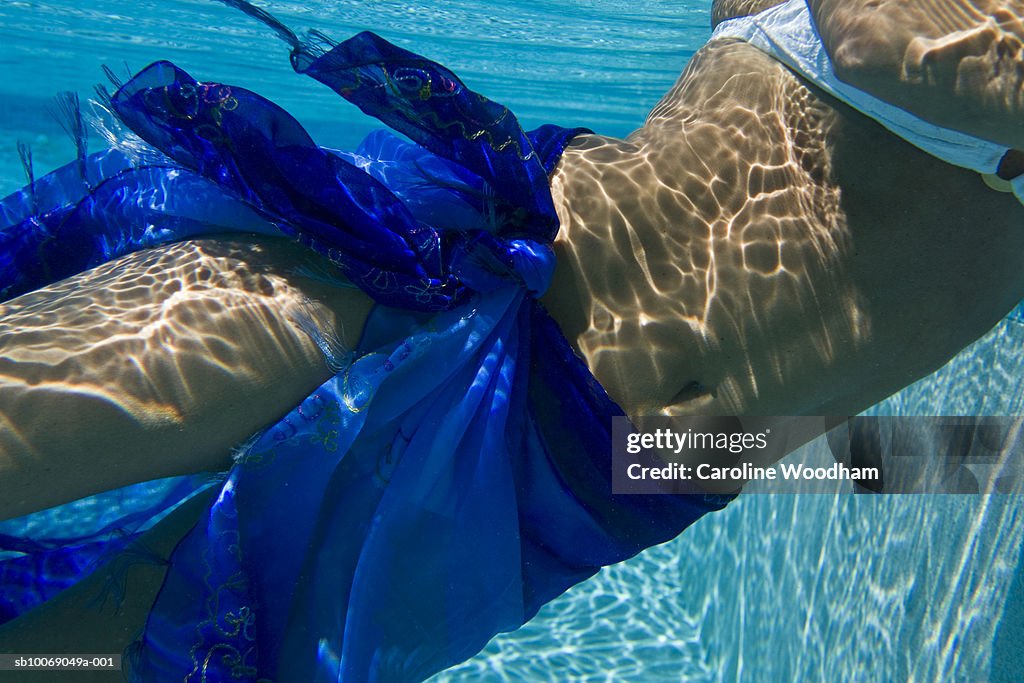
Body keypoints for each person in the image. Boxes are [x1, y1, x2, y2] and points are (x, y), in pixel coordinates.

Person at [1, 0, 1022, 680]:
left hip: (580, 487)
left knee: (107, 656)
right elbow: (877, 46)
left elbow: (832, 367)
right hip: (447, 279)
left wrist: (957, 454)